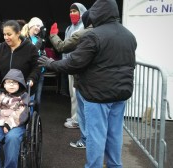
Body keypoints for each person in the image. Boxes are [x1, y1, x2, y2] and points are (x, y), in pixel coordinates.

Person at [38, 0, 137, 167]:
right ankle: (115, 165)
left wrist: (50, 63)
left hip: (97, 94)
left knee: (96, 135)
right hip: (121, 93)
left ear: (98, 13)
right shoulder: (129, 35)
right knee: (115, 133)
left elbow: (73, 64)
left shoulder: (93, 35)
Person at [50, 9, 93, 149]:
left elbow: (62, 46)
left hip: (77, 67)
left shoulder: (83, 31)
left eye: (75, 11)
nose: (72, 13)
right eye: (70, 11)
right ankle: (75, 118)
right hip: (71, 65)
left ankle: (79, 125)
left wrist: (53, 35)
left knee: (79, 97)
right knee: (74, 95)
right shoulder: (70, 27)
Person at [0, 69, 29, 168]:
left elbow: (21, 113)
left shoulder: (23, 97)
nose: (11, 85)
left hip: (15, 125)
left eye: (15, 83)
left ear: (20, 84)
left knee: (12, 138)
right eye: (8, 82)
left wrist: (8, 124)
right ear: (4, 84)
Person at [0, 20, 40, 97]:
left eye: (9, 34)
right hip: (4, 91)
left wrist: (32, 78)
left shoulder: (30, 48)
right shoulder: (0, 47)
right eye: (4, 34)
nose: (6, 37)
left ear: (18, 33)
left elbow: (37, 67)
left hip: (24, 91)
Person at [21, 17, 45, 112]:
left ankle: (35, 120)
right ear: (31, 25)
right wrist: (36, 47)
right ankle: (26, 118)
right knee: (26, 98)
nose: (39, 28)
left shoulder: (39, 39)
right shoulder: (23, 39)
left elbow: (41, 53)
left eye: (40, 27)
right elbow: (26, 55)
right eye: (37, 25)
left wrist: (44, 56)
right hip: (28, 72)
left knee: (37, 100)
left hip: (40, 71)